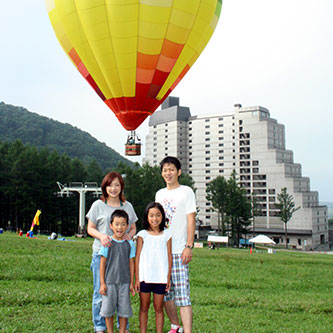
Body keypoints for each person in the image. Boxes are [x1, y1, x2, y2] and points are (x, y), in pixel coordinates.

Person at [87, 172, 137, 333]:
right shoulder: (97, 205)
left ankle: (123, 328)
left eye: (117, 185)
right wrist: (102, 236)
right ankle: (100, 326)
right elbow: (90, 228)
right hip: (102, 255)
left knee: (122, 293)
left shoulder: (127, 206)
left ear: (121, 187)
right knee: (100, 292)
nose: (113, 188)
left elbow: (134, 227)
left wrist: (130, 235)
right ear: (105, 187)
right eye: (110, 185)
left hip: (122, 256)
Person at [155, 156, 196, 333]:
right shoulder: (159, 194)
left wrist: (189, 245)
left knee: (183, 296)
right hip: (162, 251)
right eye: (165, 170)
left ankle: (187, 331)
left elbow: (191, 219)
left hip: (179, 250)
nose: (168, 173)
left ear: (179, 172)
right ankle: (175, 326)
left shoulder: (186, 192)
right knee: (165, 294)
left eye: (172, 169)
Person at [135, 202, 172, 333]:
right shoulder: (142, 234)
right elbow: (137, 256)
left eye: (158, 215)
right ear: (147, 217)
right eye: (151, 215)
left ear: (162, 217)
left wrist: (168, 278)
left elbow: (169, 257)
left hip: (161, 278)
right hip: (145, 277)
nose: (154, 219)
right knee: (144, 307)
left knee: (158, 308)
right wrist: (137, 278)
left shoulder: (167, 235)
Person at [99, 210, 136, 333]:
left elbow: (132, 263)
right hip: (109, 282)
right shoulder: (107, 243)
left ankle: (122, 330)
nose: (120, 227)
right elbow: (102, 263)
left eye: (123, 224)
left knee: (124, 310)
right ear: (111, 225)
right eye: (117, 224)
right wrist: (102, 283)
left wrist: (132, 282)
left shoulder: (129, 243)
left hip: (125, 282)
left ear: (127, 226)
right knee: (108, 310)